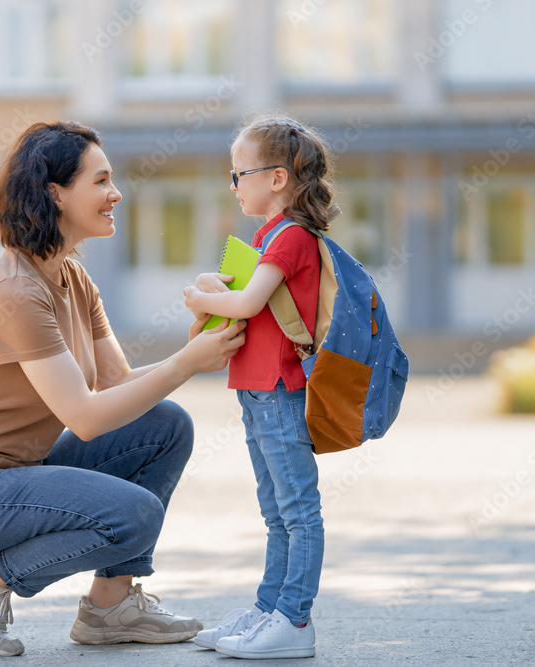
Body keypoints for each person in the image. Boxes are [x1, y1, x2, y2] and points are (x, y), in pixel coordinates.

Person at [0, 120, 246, 657]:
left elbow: (115, 384)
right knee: (135, 516)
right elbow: (86, 418)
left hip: (20, 478)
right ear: (55, 194)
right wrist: (185, 364)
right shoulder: (14, 290)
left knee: (165, 424)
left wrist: (194, 351)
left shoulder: (71, 277)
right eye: (101, 181)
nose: (116, 194)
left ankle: (110, 607)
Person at [182, 114, 338, 660]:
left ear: (276, 178)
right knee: (276, 511)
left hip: (279, 389)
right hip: (256, 389)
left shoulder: (291, 235)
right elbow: (245, 307)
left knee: (298, 511)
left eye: (239, 173)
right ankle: (270, 608)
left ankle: (294, 621)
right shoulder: (266, 235)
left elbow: (245, 304)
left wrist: (200, 299)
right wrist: (211, 290)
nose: (234, 184)